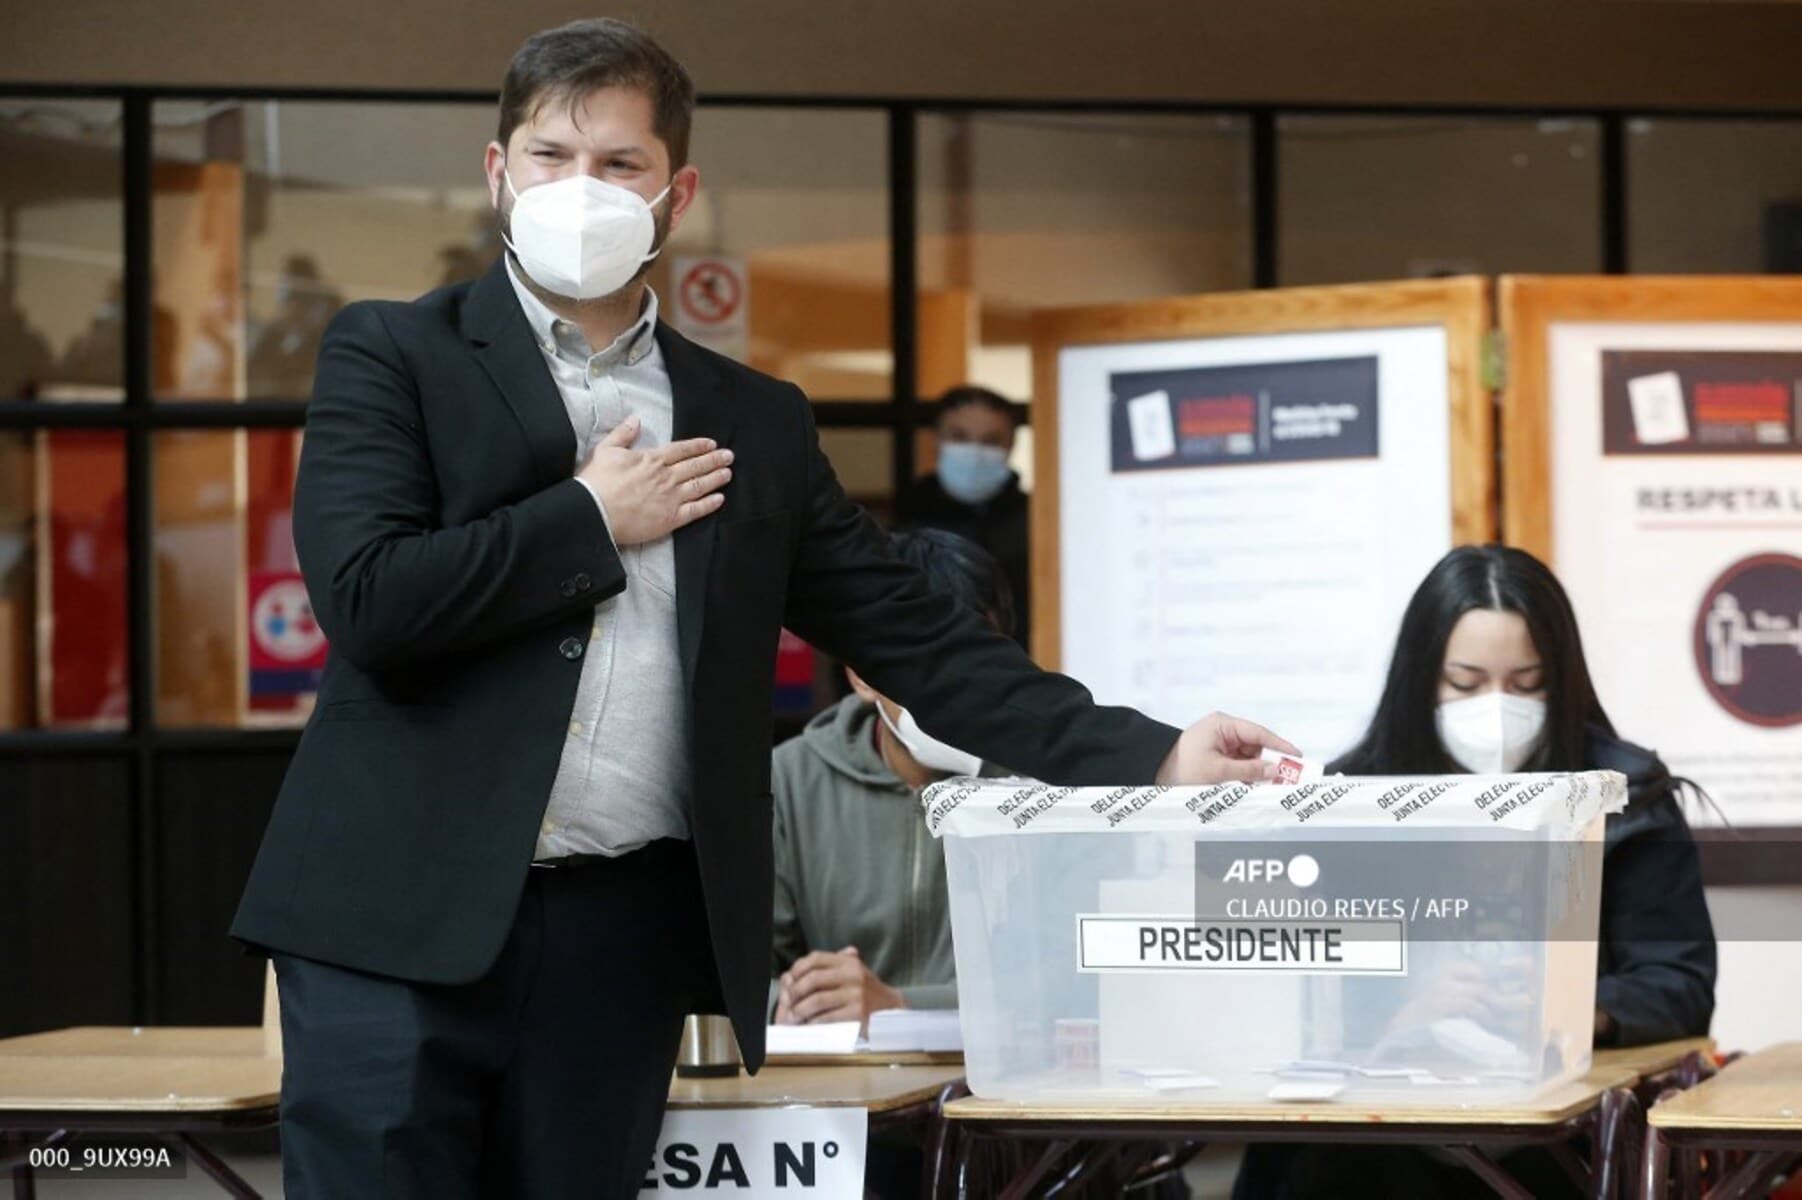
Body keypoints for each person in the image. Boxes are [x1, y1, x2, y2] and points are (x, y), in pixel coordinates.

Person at [230, 19, 1295, 1198]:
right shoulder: (392, 353)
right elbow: (371, 600)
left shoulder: (752, 419)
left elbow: (911, 630)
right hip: (392, 921)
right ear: (497, 173)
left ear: (675, 193)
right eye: (549, 156)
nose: (580, 189)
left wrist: (1150, 752)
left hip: (617, 931)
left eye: (620, 164)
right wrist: (591, 521)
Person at [1233, 544, 1716, 1200]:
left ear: (1563, 678)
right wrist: (1400, 1017)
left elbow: (1681, 984)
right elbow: (1289, 991)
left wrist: (1577, 1009)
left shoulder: (1629, 797)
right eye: (1464, 683)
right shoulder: (1348, 801)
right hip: (1381, 1123)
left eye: (1527, 684)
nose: (1495, 710)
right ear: (1422, 677)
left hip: (1560, 1129)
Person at [771, 528, 1012, 1030]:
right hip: (839, 1093)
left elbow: (1062, 985)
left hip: (996, 1089)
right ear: (861, 674)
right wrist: (796, 1001)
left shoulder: (1047, 788)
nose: (957, 687)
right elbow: (737, 974)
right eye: (927, 663)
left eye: (980, 658)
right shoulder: (792, 781)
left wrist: (899, 1009)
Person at [897, 385, 1032, 651]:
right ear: (936, 438)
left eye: (991, 441)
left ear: (1011, 445)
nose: (975, 452)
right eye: (959, 437)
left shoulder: (1038, 528)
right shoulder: (903, 525)